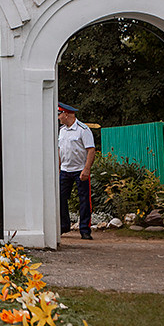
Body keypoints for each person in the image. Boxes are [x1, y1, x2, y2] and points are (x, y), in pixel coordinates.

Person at [58, 102, 96, 240]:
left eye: (59, 114)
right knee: (60, 198)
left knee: (84, 200)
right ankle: (64, 225)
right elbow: (60, 150)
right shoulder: (62, 130)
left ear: (66, 114)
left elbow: (91, 150)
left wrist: (86, 169)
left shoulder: (83, 130)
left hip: (80, 170)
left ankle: (85, 229)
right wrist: (58, 166)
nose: (58, 117)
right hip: (65, 170)